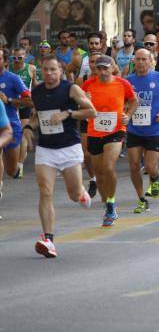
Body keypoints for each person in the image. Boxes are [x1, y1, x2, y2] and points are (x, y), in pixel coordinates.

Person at [30, 56, 96, 258]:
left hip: (69, 148)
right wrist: (28, 126)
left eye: (52, 70)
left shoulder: (71, 89)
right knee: (45, 191)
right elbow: (37, 116)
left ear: (60, 71)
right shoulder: (37, 92)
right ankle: (48, 239)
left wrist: (68, 113)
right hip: (46, 149)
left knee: (74, 194)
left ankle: (82, 193)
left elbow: (91, 112)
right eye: (45, 70)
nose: (48, 74)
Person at [82, 55, 137, 227]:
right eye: (99, 68)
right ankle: (107, 202)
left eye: (106, 68)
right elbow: (78, 105)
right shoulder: (88, 85)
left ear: (113, 68)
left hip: (115, 131)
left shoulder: (122, 83)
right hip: (95, 131)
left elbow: (134, 100)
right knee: (99, 175)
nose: (103, 72)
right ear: (95, 70)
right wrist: (85, 100)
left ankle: (111, 205)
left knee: (108, 166)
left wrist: (128, 116)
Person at [125, 49, 159, 213]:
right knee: (134, 165)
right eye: (137, 60)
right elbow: (121, 100)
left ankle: (155, 179)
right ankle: (141, 199)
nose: (140, 63)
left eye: (143, 59)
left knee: (150, 166)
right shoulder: (128, 81)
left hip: (155, 128)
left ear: (150, 61)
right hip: (134, 129)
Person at [0, 49, 32, 186]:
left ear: (5, 61)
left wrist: (9, 100)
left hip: (10, 125)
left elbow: (30, 100)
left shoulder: (13, 79)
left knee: (12, 171)